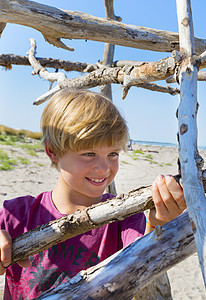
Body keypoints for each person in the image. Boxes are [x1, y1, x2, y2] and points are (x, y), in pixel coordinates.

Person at [0, 89, 186, 299]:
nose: (103, 168)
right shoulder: (16, 214)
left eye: (113, 154)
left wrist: (158, 224)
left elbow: (144, 258)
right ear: (52, 151)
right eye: (89, 154)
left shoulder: (125, 219)